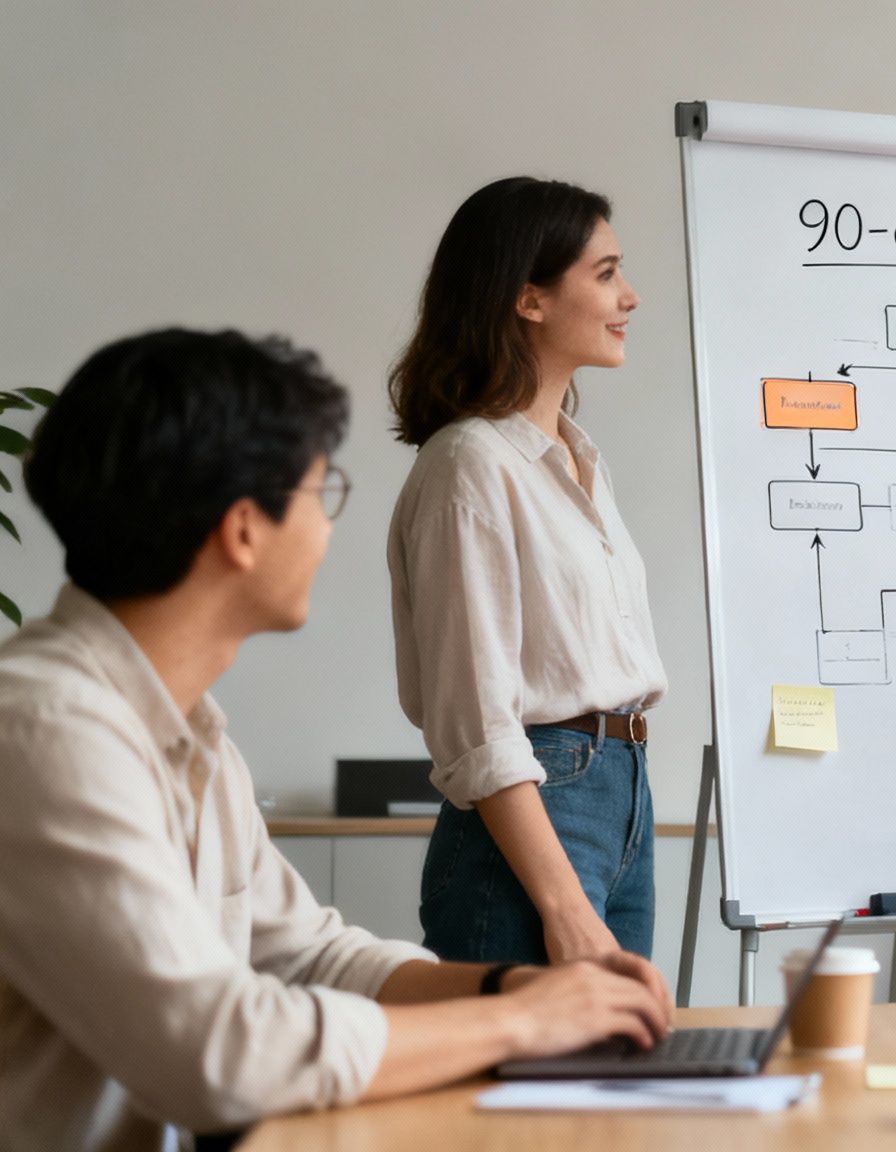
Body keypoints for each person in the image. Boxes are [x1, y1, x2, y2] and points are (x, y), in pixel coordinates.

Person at [0, 328, 672, 1152]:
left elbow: (311, 955)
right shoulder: (43, 732)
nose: (327, 527)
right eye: (325, 490)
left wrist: (511, 986)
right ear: (244, 530)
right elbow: (218, 1051)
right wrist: (522, 1023)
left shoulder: (190, 737)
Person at [388, 176, 667, 966]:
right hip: (545, 809)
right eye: (606, 273)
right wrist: (563, 905)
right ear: (529, 299)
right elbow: (476, 720)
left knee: (611, 1077)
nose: (631, 297)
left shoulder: (578, 460)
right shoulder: (470, 464)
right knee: (529, 1083)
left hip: (624, 792)